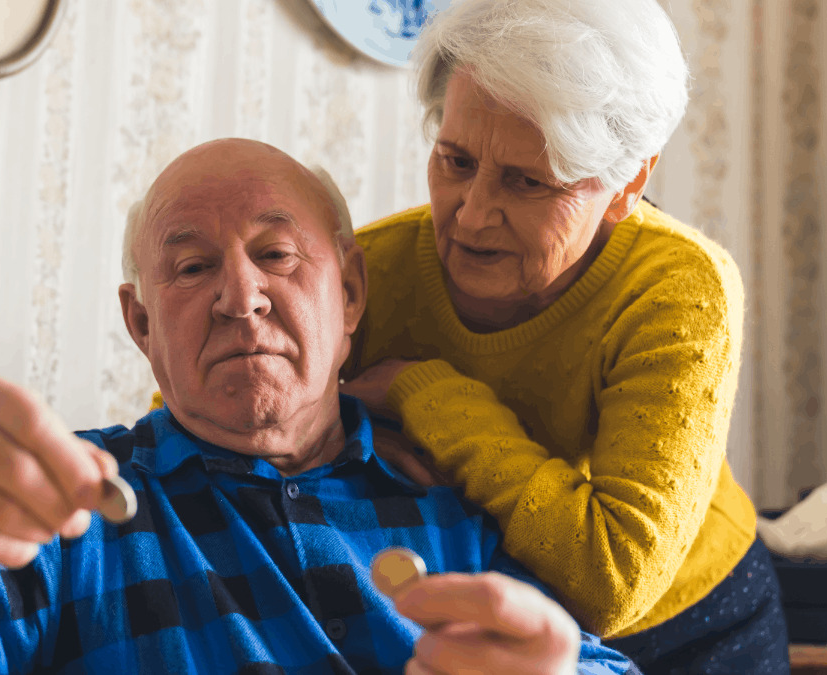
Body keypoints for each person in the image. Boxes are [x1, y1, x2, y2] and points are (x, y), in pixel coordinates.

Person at [0, 139, 637, 674]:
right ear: (142, 324)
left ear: (349, 294)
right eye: (190, 266)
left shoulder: (453, 504)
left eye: (275, 253)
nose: (240, 294)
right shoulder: (64, 514)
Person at [338, 0, 789, 672]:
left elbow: (612, 582)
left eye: (527, 182)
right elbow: (210, 425)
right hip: (482, 618)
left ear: (625, 184)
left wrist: (423, 392)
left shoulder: (677, 285)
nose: (473, 214)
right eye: (455, 161)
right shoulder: (373, 269)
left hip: (693, 626)